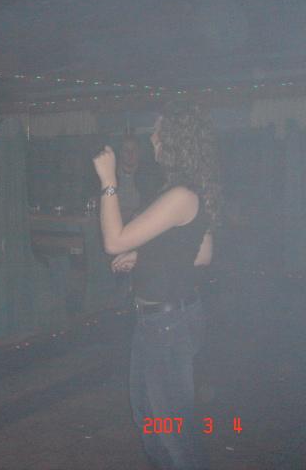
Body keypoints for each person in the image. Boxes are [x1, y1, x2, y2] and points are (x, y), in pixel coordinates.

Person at [93, 101, 220, 470]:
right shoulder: (191, 190)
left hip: (167, 325)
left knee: (172, 435)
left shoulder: (180, 195)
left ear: (176, 139)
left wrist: (109, 182)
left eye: (158, 131)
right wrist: (144, 256)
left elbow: (113, 241)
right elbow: (201, 255)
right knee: (153, 424)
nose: (152, 137)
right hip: (168, 320)